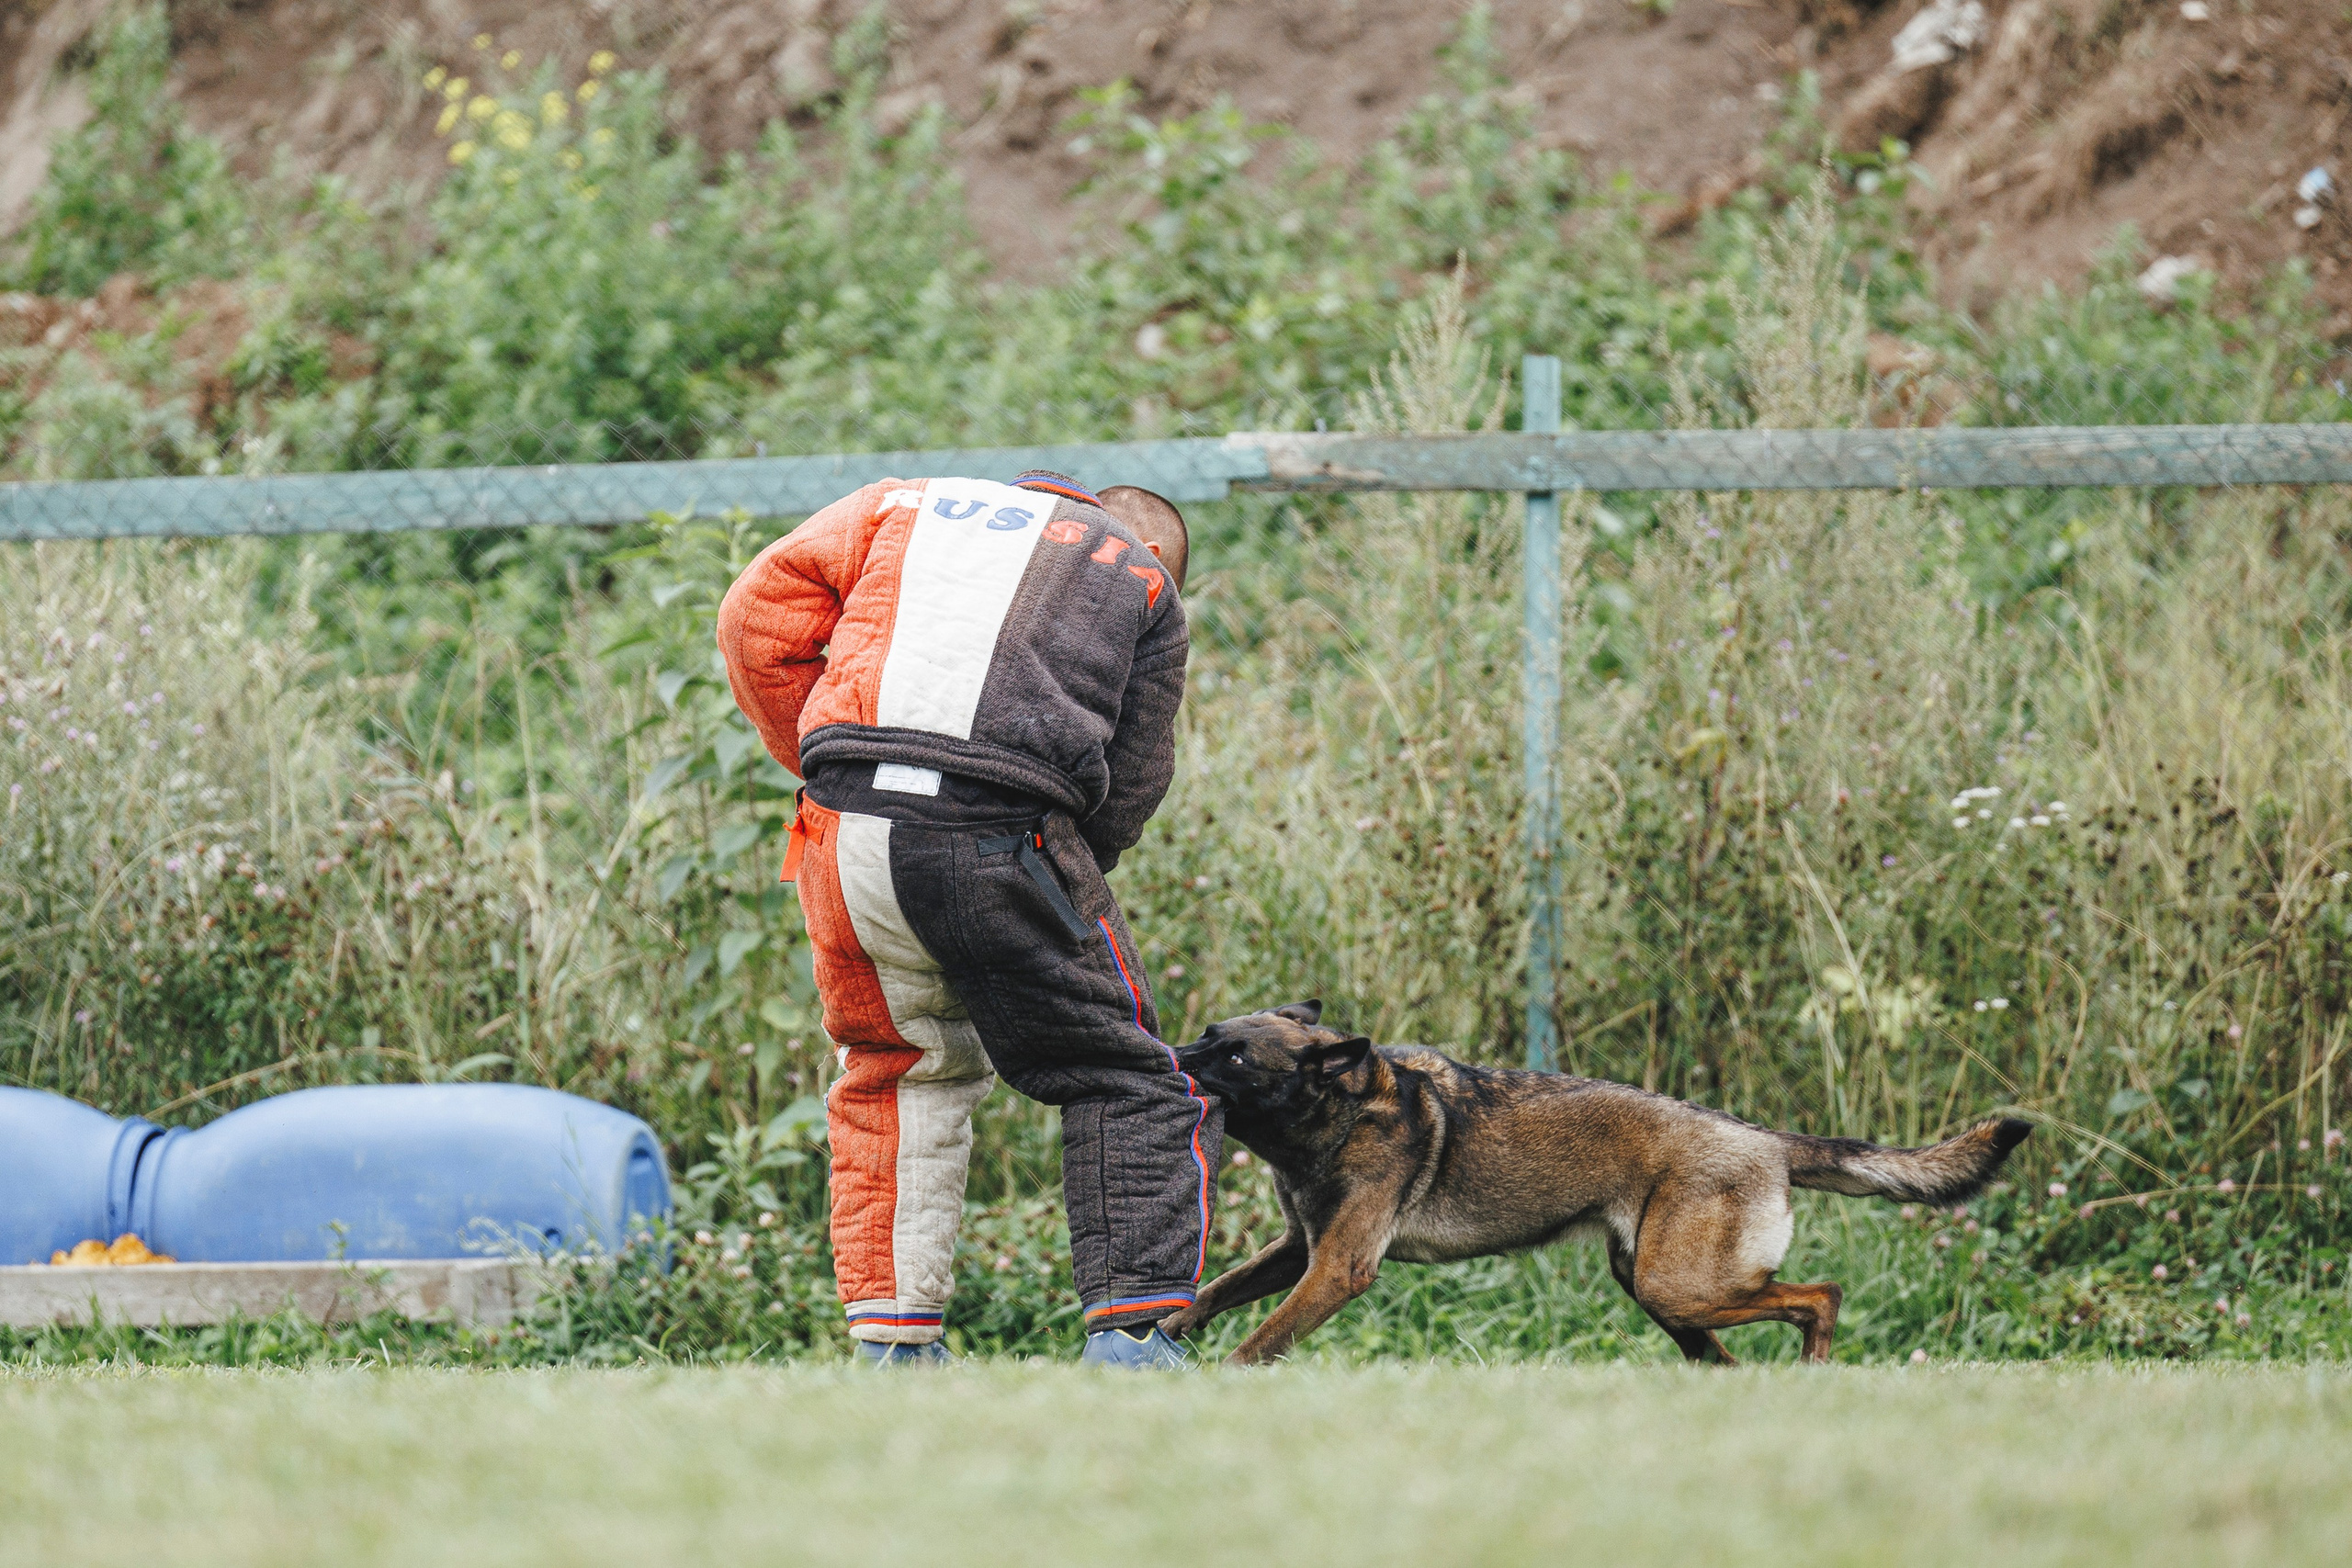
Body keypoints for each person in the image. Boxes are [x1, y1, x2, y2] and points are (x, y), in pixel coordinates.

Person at [717, 469, 1215, 1368]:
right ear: (1154, 552)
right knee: (1121, 1072)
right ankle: (1134, 1344)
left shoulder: (900, 502)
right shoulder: (1140, 575)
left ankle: (894, 1348)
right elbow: (1135, 774)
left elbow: (756, 618)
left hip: (843, 827)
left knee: (894, 1071)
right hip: (1003, 827)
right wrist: (1074, 873)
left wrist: (822, 759)